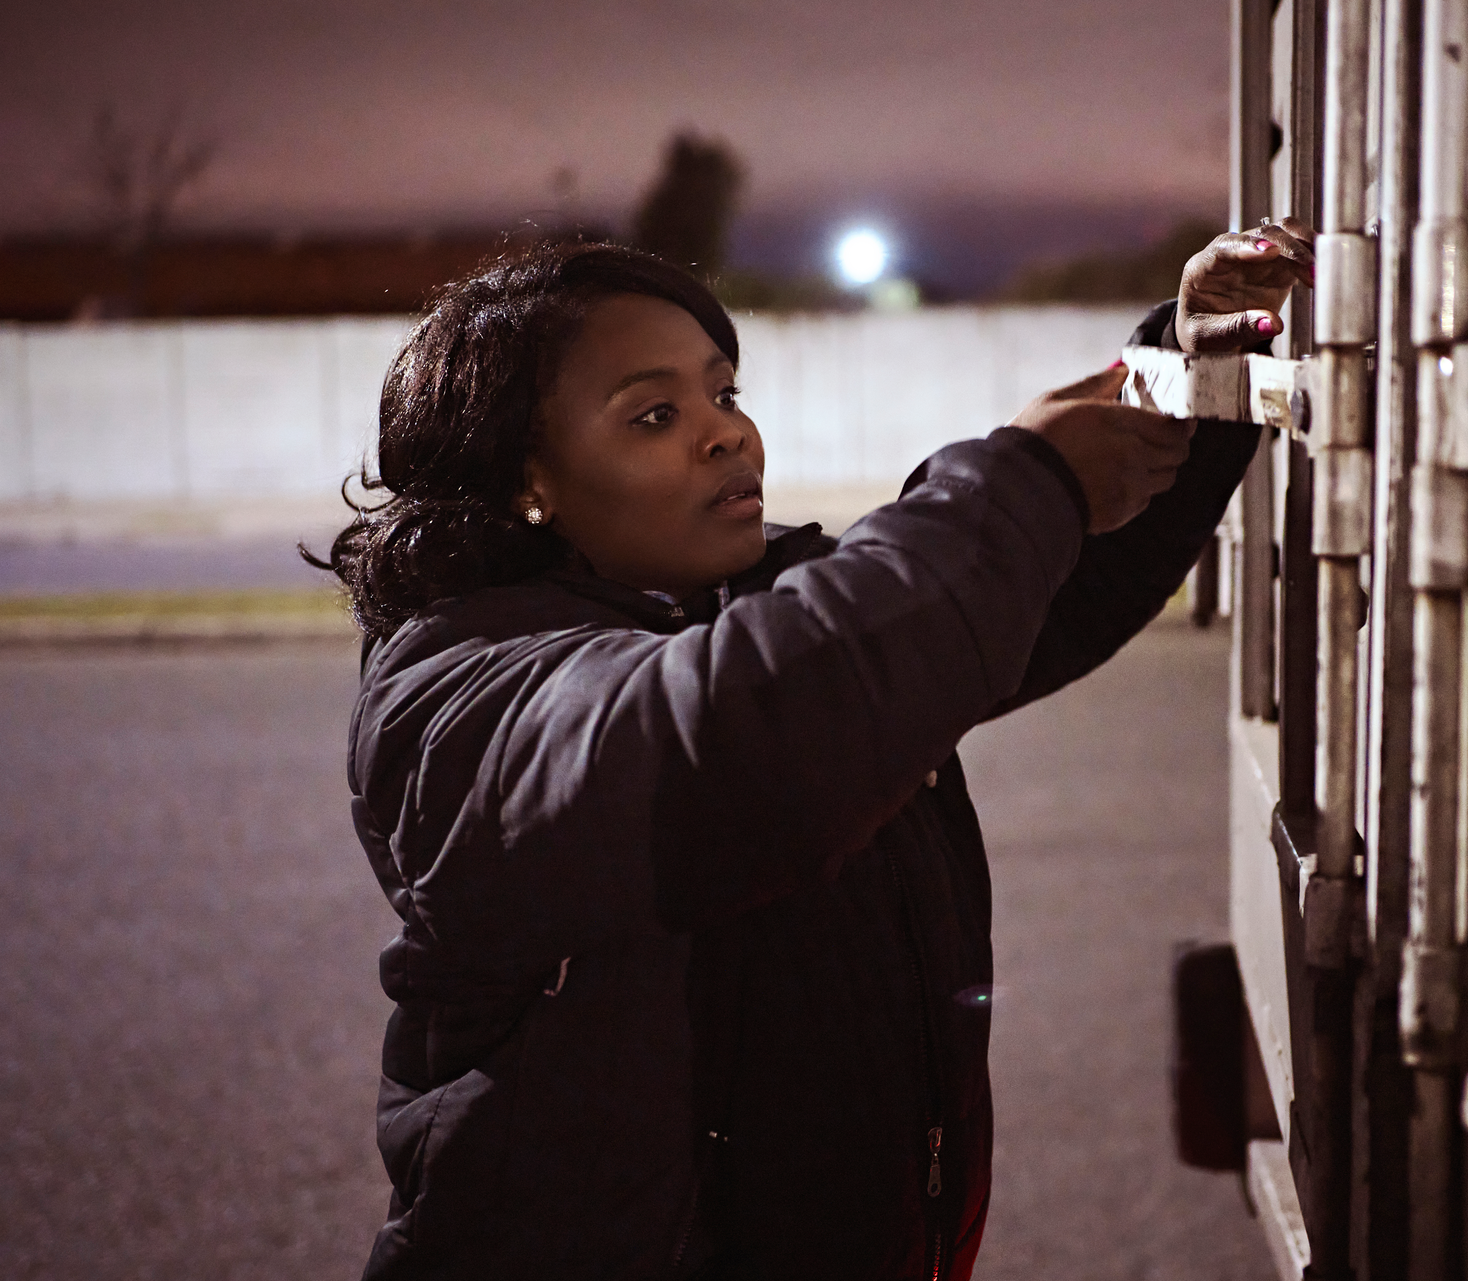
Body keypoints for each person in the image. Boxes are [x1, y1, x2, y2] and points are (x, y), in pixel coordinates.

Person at [310, 220, 1312, 1281]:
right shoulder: (459, 695)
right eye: (656, 414)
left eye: (725, 395)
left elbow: (1021, 597)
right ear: (526, 480)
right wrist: (1023, 486)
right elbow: (747, 730)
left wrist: (1198, 369)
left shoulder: (730, 615)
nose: (727, 437)